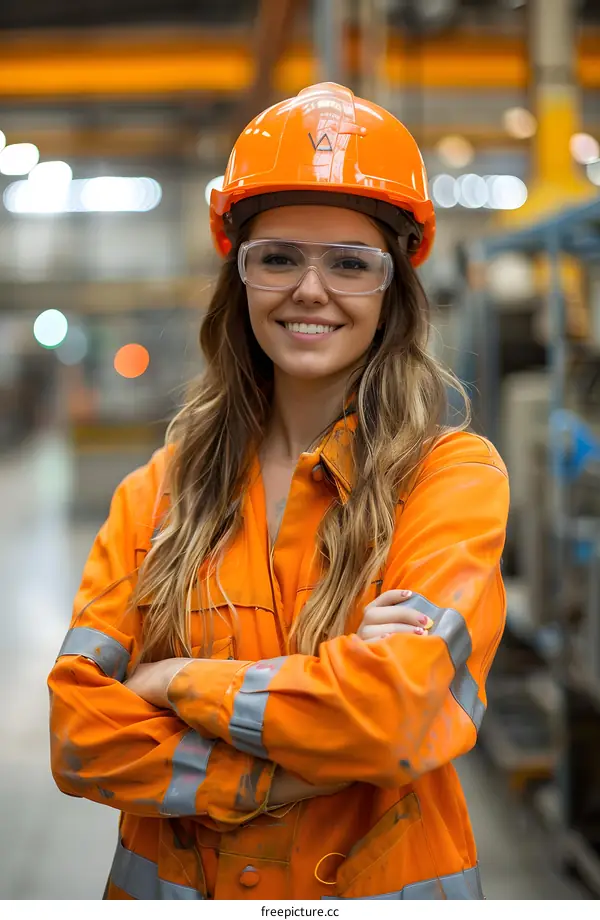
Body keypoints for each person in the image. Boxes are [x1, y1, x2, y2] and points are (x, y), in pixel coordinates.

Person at [48, 82, 509, 901]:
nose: (310, 289)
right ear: (242, 275)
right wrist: (282, 771)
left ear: (392, 290)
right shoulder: (157, 494)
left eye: (350, 263)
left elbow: (394, 718)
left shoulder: (450, 480)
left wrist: (174, 682)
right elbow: (80, 735)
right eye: (279, 257)